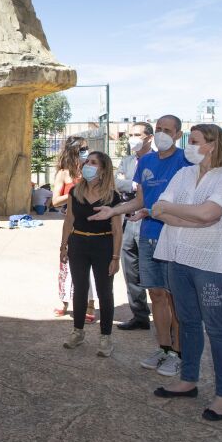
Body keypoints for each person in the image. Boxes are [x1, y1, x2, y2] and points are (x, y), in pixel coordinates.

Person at [148, 124, 222, 422]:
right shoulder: (184, 174)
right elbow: (158, 208)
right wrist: (193, 219)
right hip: (178, 257)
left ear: (213, 144)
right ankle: (188, 380)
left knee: (217, 327)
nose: (188, 146)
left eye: (194, 141)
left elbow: (210, 212)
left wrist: (179, 212)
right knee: (188, 322)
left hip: (214, 263)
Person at [90, 115, 190, 377]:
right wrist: (114, 211)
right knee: (156, 293)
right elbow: (140, 200)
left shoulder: (186, 160)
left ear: (178, 135)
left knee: (175, 298)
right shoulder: (146, 162)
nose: (162, 133)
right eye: (159, 129)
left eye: (167, 130)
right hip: (148, 234)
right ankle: (164, 348)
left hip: (175, 234)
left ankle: (179, 353)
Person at [60, 151, 122, 356]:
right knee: (79, 289)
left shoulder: (112, 197)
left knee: (105, 292)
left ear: (103, 169)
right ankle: (78, 332)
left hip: (103, 245)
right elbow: (69, 220)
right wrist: (63, 246)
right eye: (87, 161)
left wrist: (115, 257)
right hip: (78, 243)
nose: (87, 165)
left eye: (93, 162)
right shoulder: (75, 192)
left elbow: (117, 229)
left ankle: (105, 337)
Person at [115, 121, 154, 331]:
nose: (132, 139)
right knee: (131, 271)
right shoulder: (127, 161)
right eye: (130, 135)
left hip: (149, 220)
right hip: (128, 221)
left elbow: (151, 189)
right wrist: (132, 184)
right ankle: (139, 315)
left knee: (152, 270)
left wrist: (132, 185)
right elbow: (116, 183)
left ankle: (166, 317)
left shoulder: (157, 160)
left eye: (137, 135)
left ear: (149, 137)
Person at [52, 136, 94, 320]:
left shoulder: (92, 170)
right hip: (72, 224)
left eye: (87, 148)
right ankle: (64, 300)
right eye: (83, 149)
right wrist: (74, 193)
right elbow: (55, 201)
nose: (86, 152)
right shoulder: (63, 174)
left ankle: (90, 303)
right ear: (73, 151)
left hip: (92, 223)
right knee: (67, 262)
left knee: (90, 264)